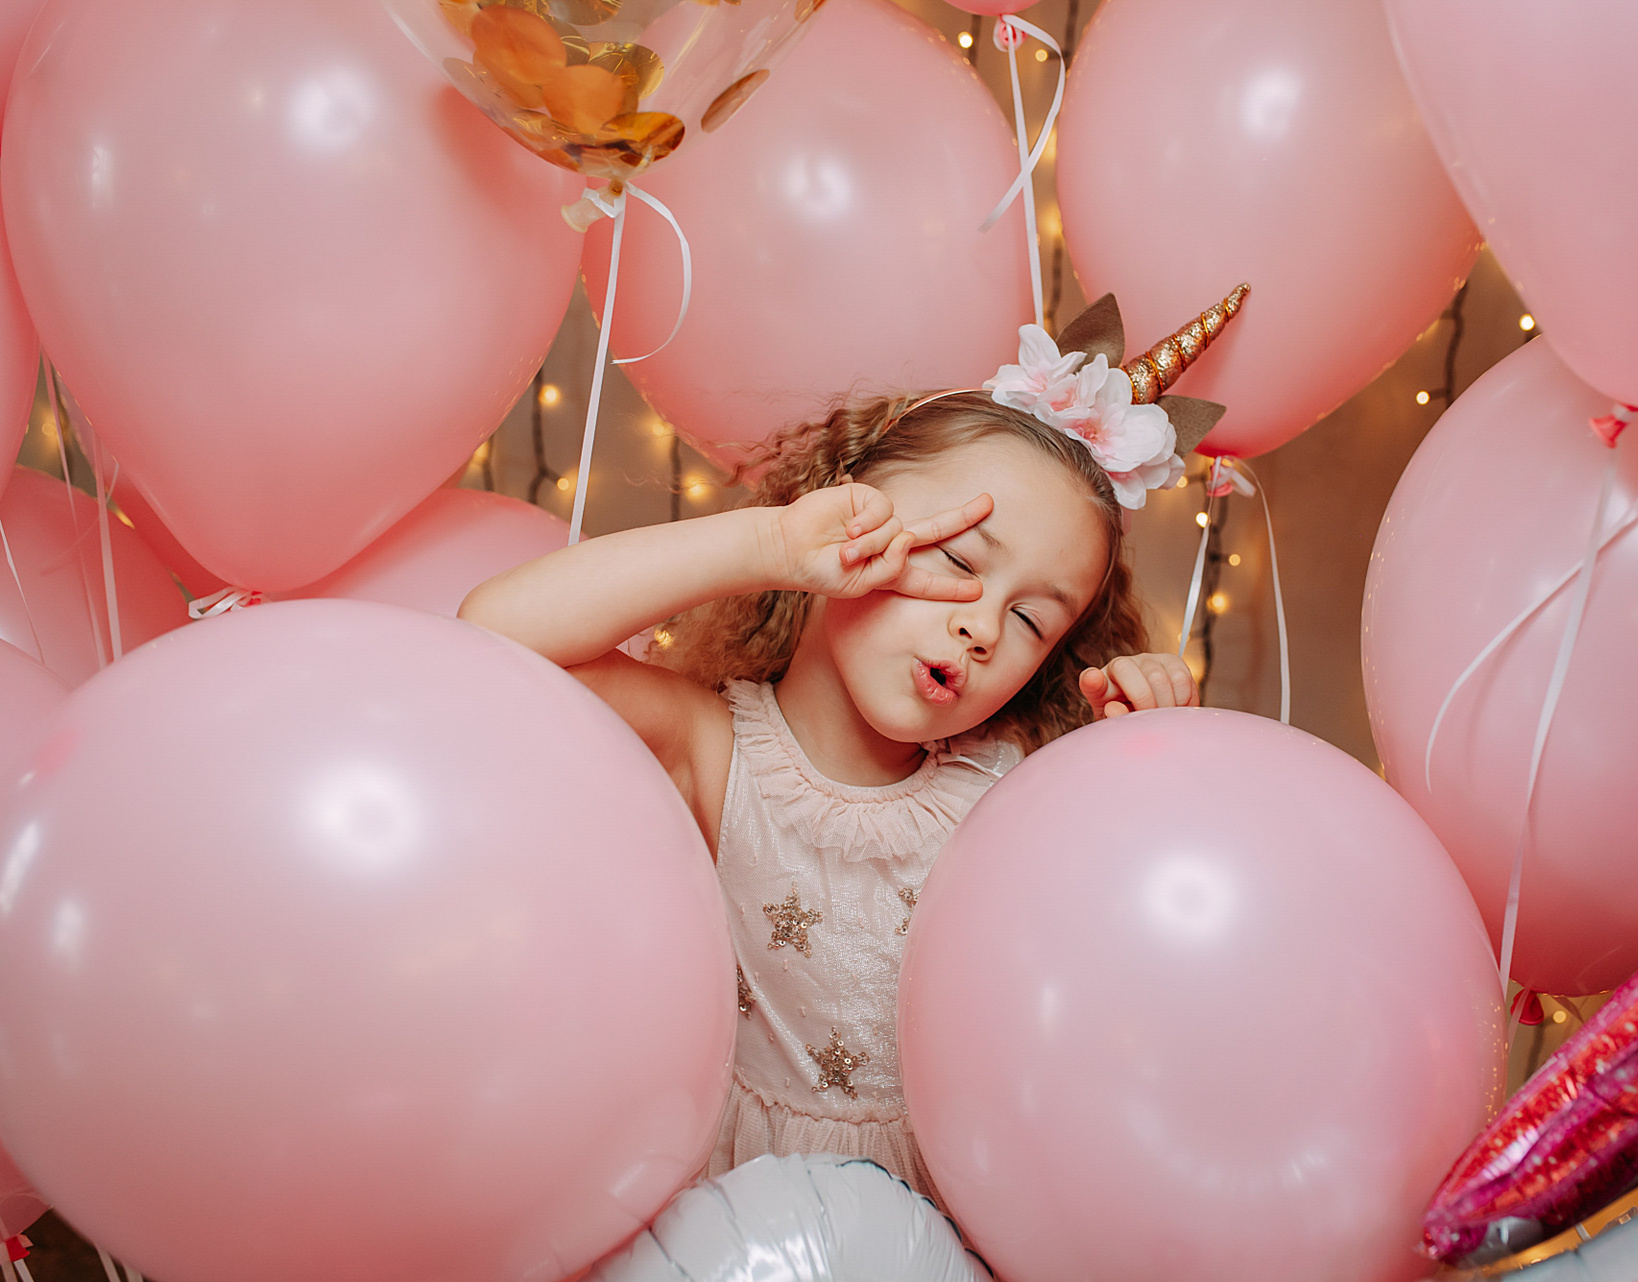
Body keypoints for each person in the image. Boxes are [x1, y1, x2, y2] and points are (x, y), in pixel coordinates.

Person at [460, 289, 1246, 1199]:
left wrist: (1145, 770)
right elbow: (497, 636)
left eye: (1033, 620)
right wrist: (769, 542)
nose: (984, 628)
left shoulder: (1020, 796)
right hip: (739, 1217)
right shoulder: (714, 749)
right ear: (848, 519)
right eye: (959, 563)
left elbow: (1142, 986)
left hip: (952, 1215)